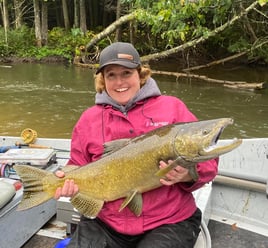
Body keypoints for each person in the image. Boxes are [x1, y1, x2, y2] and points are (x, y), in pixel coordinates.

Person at [54, 42, 218, 248]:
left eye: (126, 73)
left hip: (169, 220)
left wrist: (187, 175)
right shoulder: (88, 119)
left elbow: (208, 163)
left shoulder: (172, 108)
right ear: (102, 80)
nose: (119, 81)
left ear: (140, 75)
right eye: (111, 75)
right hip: (106, 223)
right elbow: (77, 164)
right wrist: (66, 182)